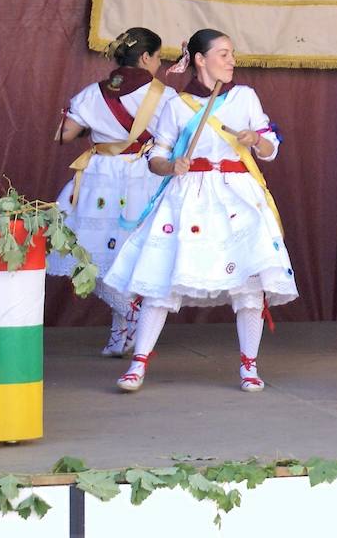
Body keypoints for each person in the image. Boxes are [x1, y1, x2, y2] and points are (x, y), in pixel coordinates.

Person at [104, 29, 294, 392]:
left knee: (248, 283)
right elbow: (156, 157)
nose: (232, 60)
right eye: (223, 54)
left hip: (238, 196)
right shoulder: (177, 105)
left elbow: (270, 147)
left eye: (233, 53)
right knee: (161, 281)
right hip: (188, 196)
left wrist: (257, 140)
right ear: (200, 60)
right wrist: (170, 166)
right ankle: (138, 363)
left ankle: (249, 366)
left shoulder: (245, 98)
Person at [51, 27, 176, 357]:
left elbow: (65, 135)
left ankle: (121, 330)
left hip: (98, 179)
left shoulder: (93, 93)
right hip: (142, 179)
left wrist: (97, 127)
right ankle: (132, 315)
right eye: (158, 57)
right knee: (123, 256)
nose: (159, 64)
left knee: (88, 255)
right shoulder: (165, 96)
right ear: (146, 57)